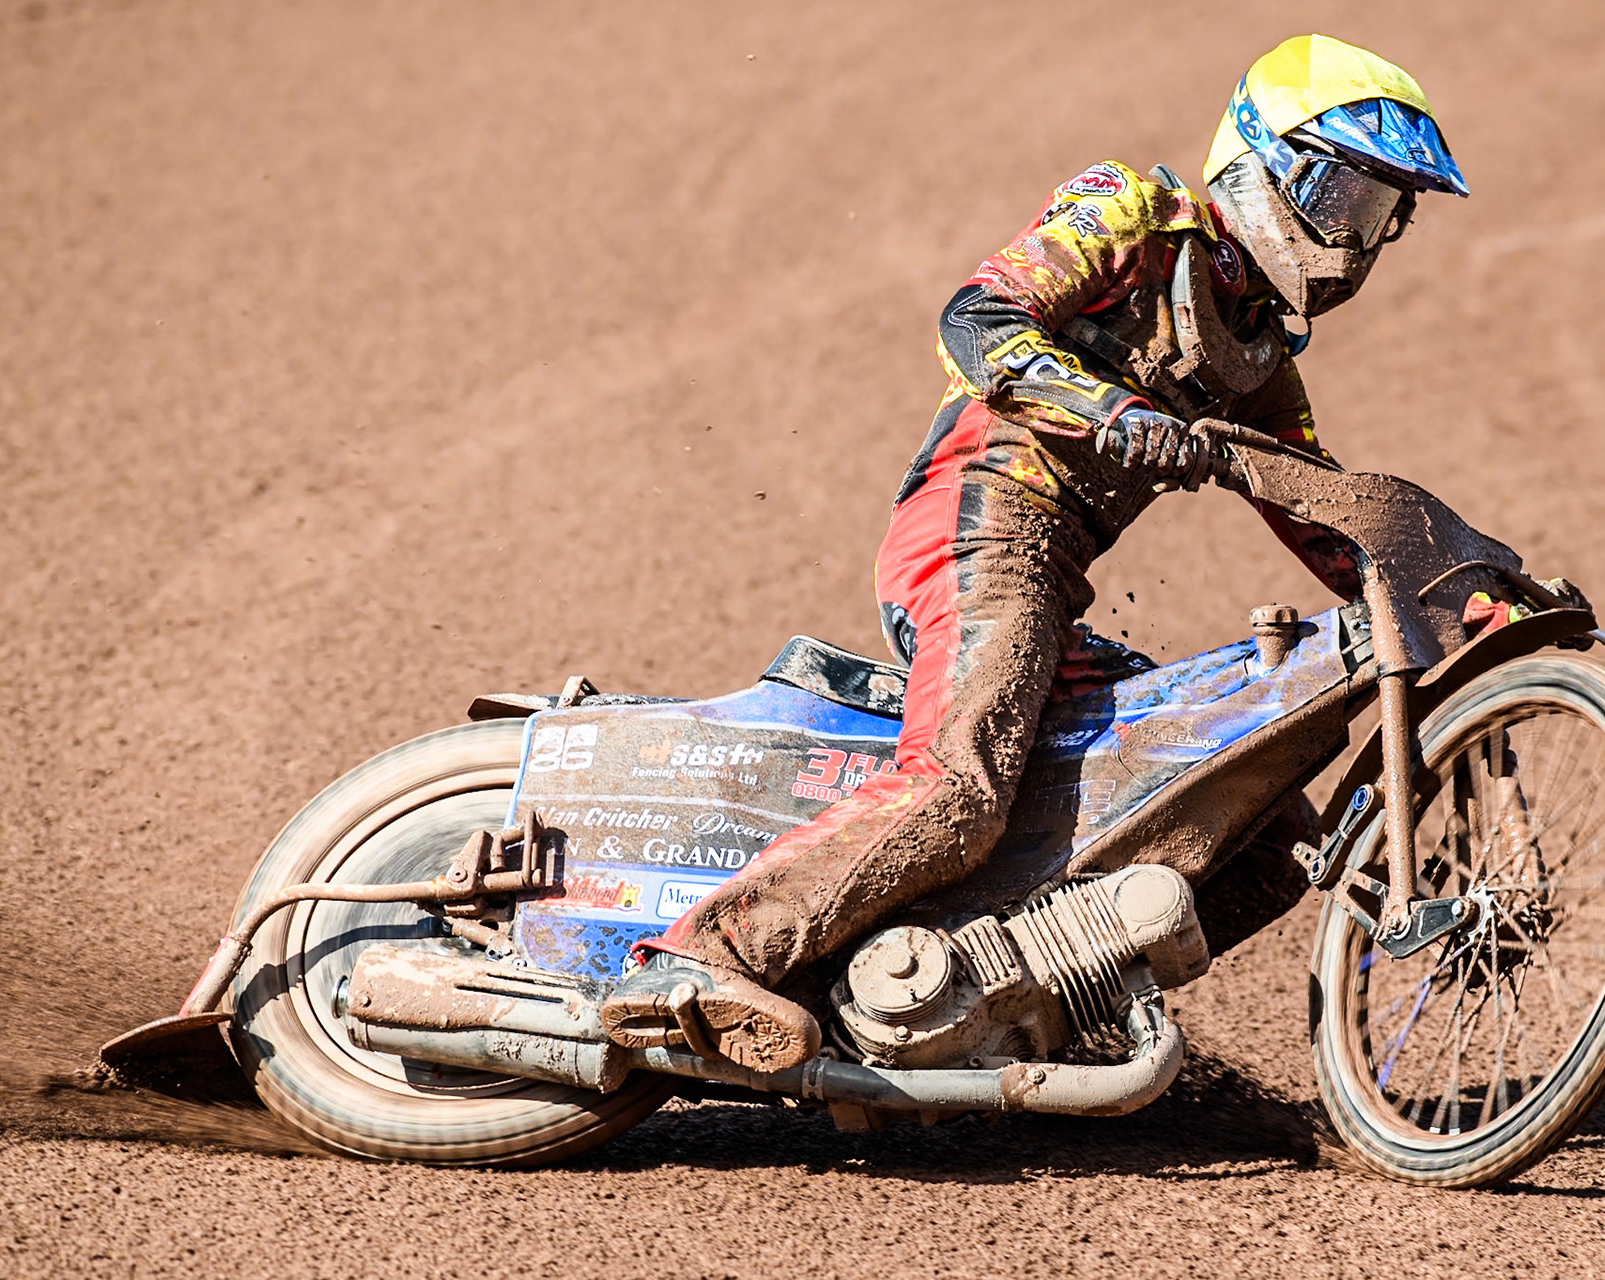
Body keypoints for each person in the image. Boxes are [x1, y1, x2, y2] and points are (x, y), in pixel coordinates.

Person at [601, 34, 1470, 1071]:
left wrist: (1456, 592)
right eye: (1338, 196)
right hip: (979, 526)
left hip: (1054, 584)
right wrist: (1110, 408)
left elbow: (1319, 507)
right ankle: (698, 960)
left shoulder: (1256, 357)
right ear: (1261, 160)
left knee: (1260, 827)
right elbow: (977, 321)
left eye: (1380, 216)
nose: (1349, 238)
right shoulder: (1130, 214)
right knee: (959, 790)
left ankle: (1033, 1016)